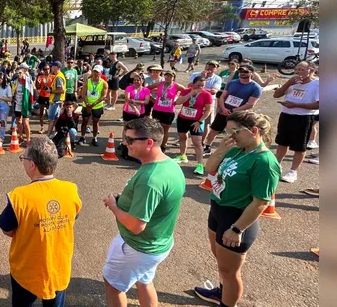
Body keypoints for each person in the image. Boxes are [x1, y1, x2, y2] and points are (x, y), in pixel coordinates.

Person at [193, 111, 279, 307]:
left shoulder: (264, 162)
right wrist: (221, 149)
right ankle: (221, 293)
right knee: (221, 263)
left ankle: (227, 303)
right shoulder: (237, 149)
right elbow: (210, 169)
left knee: (230, 272)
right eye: (227, 132)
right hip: (218, 210)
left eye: (235, 132)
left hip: (237, 218)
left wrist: (237, 229)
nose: (229, 136)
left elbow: (260, 202)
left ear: (254, 131)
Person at [102, 118, 185, 307]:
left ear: (149, 143)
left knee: (113, 285)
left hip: (137, 246)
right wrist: (125, 199)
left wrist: (114, 206)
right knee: (144, 281)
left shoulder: (150, 179)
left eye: (130, 140)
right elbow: (158, 202)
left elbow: (136, 225)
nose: (124, 143)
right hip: (157, 243)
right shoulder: (170, 165)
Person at [0, 137, 82, 306]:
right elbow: (73, 216)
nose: (23, 162)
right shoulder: (71, 190)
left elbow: (7, 228)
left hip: (27, 271)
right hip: (59, 267)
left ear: (32, 165)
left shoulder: (19, 196)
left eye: (24, 158)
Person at [272, 61, 319, 183]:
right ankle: (276, 165)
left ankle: (293, 171)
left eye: (302, 70)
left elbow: (318, 105)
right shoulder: (293, 82)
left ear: (311, 71)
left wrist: (296, 105)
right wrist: (288, 83)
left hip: (304, 118)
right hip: (286, 115)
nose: (298, 72)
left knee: (299, 146)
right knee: (282, 142)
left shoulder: (317, 84)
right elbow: (276, 95)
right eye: (297, 69)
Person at [203, 65, 262, 157]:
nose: (243, 74)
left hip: (239, 115)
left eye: (246, 72)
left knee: (235, 133)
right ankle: (207, 146)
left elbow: (250, 104)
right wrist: (223, 108)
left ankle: (233, 151)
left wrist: (232, 111)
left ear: (252, 73)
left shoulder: (256, 87)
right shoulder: (232, 83)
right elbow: (222, 96)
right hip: (223, 111)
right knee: (214, 129)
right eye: (241, 71)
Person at [174, 76, 214, 175]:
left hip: (196, 121)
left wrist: (200, 122)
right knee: (182, 137)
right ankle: (183, 156)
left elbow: (208, 110)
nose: (200, 87)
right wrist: (191, 93)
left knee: (197, 142)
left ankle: (200, 165)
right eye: (198, 85)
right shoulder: (186, 91)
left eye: (202, 85)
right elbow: (178, 102)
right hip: (183, 118)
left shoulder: (206, 95)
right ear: (193, 84)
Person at [148, 71, 184, 151]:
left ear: (173, 78)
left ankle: (163, 146)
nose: (168, 78)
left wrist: (178, 99)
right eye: (166, 76)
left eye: (170, 76)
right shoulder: (160, 84)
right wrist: (151, 98)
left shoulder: (176, 85)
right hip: (157, 109)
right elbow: (147, 88)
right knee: (156, 128)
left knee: (165, 129)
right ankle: (155, 145)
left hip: (169, 111)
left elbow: (185, 91)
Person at [190, 61, 222, 141]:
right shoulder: (195, 74)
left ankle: (202, 142)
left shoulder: (217, 78)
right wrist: (201, 77)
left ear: (216, 69)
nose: (209, 68)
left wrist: (199, 87)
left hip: (208, 102)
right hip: (193, 100)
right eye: (208, 65)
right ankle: (184, 139)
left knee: (206, 123)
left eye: (213, 67)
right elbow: (189, 86)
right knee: (189, 119)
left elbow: (214, 91)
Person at [78, 67, 107, 147]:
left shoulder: (104, 83)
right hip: (86, 104)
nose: (96, 74)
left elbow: (104, 96)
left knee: (95, 122)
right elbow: (83, 94)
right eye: (94, 72)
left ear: (101, 73)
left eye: (97, 72)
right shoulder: (87, 81)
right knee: (84, 121)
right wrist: (87, 103)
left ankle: (94, 138)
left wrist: (93, 104)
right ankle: (82, 137)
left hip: (97, 106)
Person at [13, 63, 35, 146]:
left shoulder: (27, 81)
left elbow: (33, 90)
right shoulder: (14, 82)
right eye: (18, 73)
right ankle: (21, 137)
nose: (19, 75)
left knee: (25, 122)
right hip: (17, 103)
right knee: (18, 121)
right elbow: (12, 91)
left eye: (20, 73)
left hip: (25, 104)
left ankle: (28, 139)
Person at [46, 61, 66, 136]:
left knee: (51, 119)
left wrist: (51, 91)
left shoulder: (58, 77)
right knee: (55, 118)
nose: (51, 68)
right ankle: (54, 133)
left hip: (55, 101)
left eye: (52, 66)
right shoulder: (58, 75)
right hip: (57, 100)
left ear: (56, 67)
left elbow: (61, 90)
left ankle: (48, 135)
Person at [35, 64, 53, 134]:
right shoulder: (40, 77)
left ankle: (50, 128)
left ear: (50, 69)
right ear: (43, 70)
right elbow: (38, 87)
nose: (47, 70)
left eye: (48, 69)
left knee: (50, 113)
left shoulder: (53, 77)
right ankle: (42, 127)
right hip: (42, 96)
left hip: (50, 96)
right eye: (45, 69)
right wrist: (38, 83)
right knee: (41, 113)